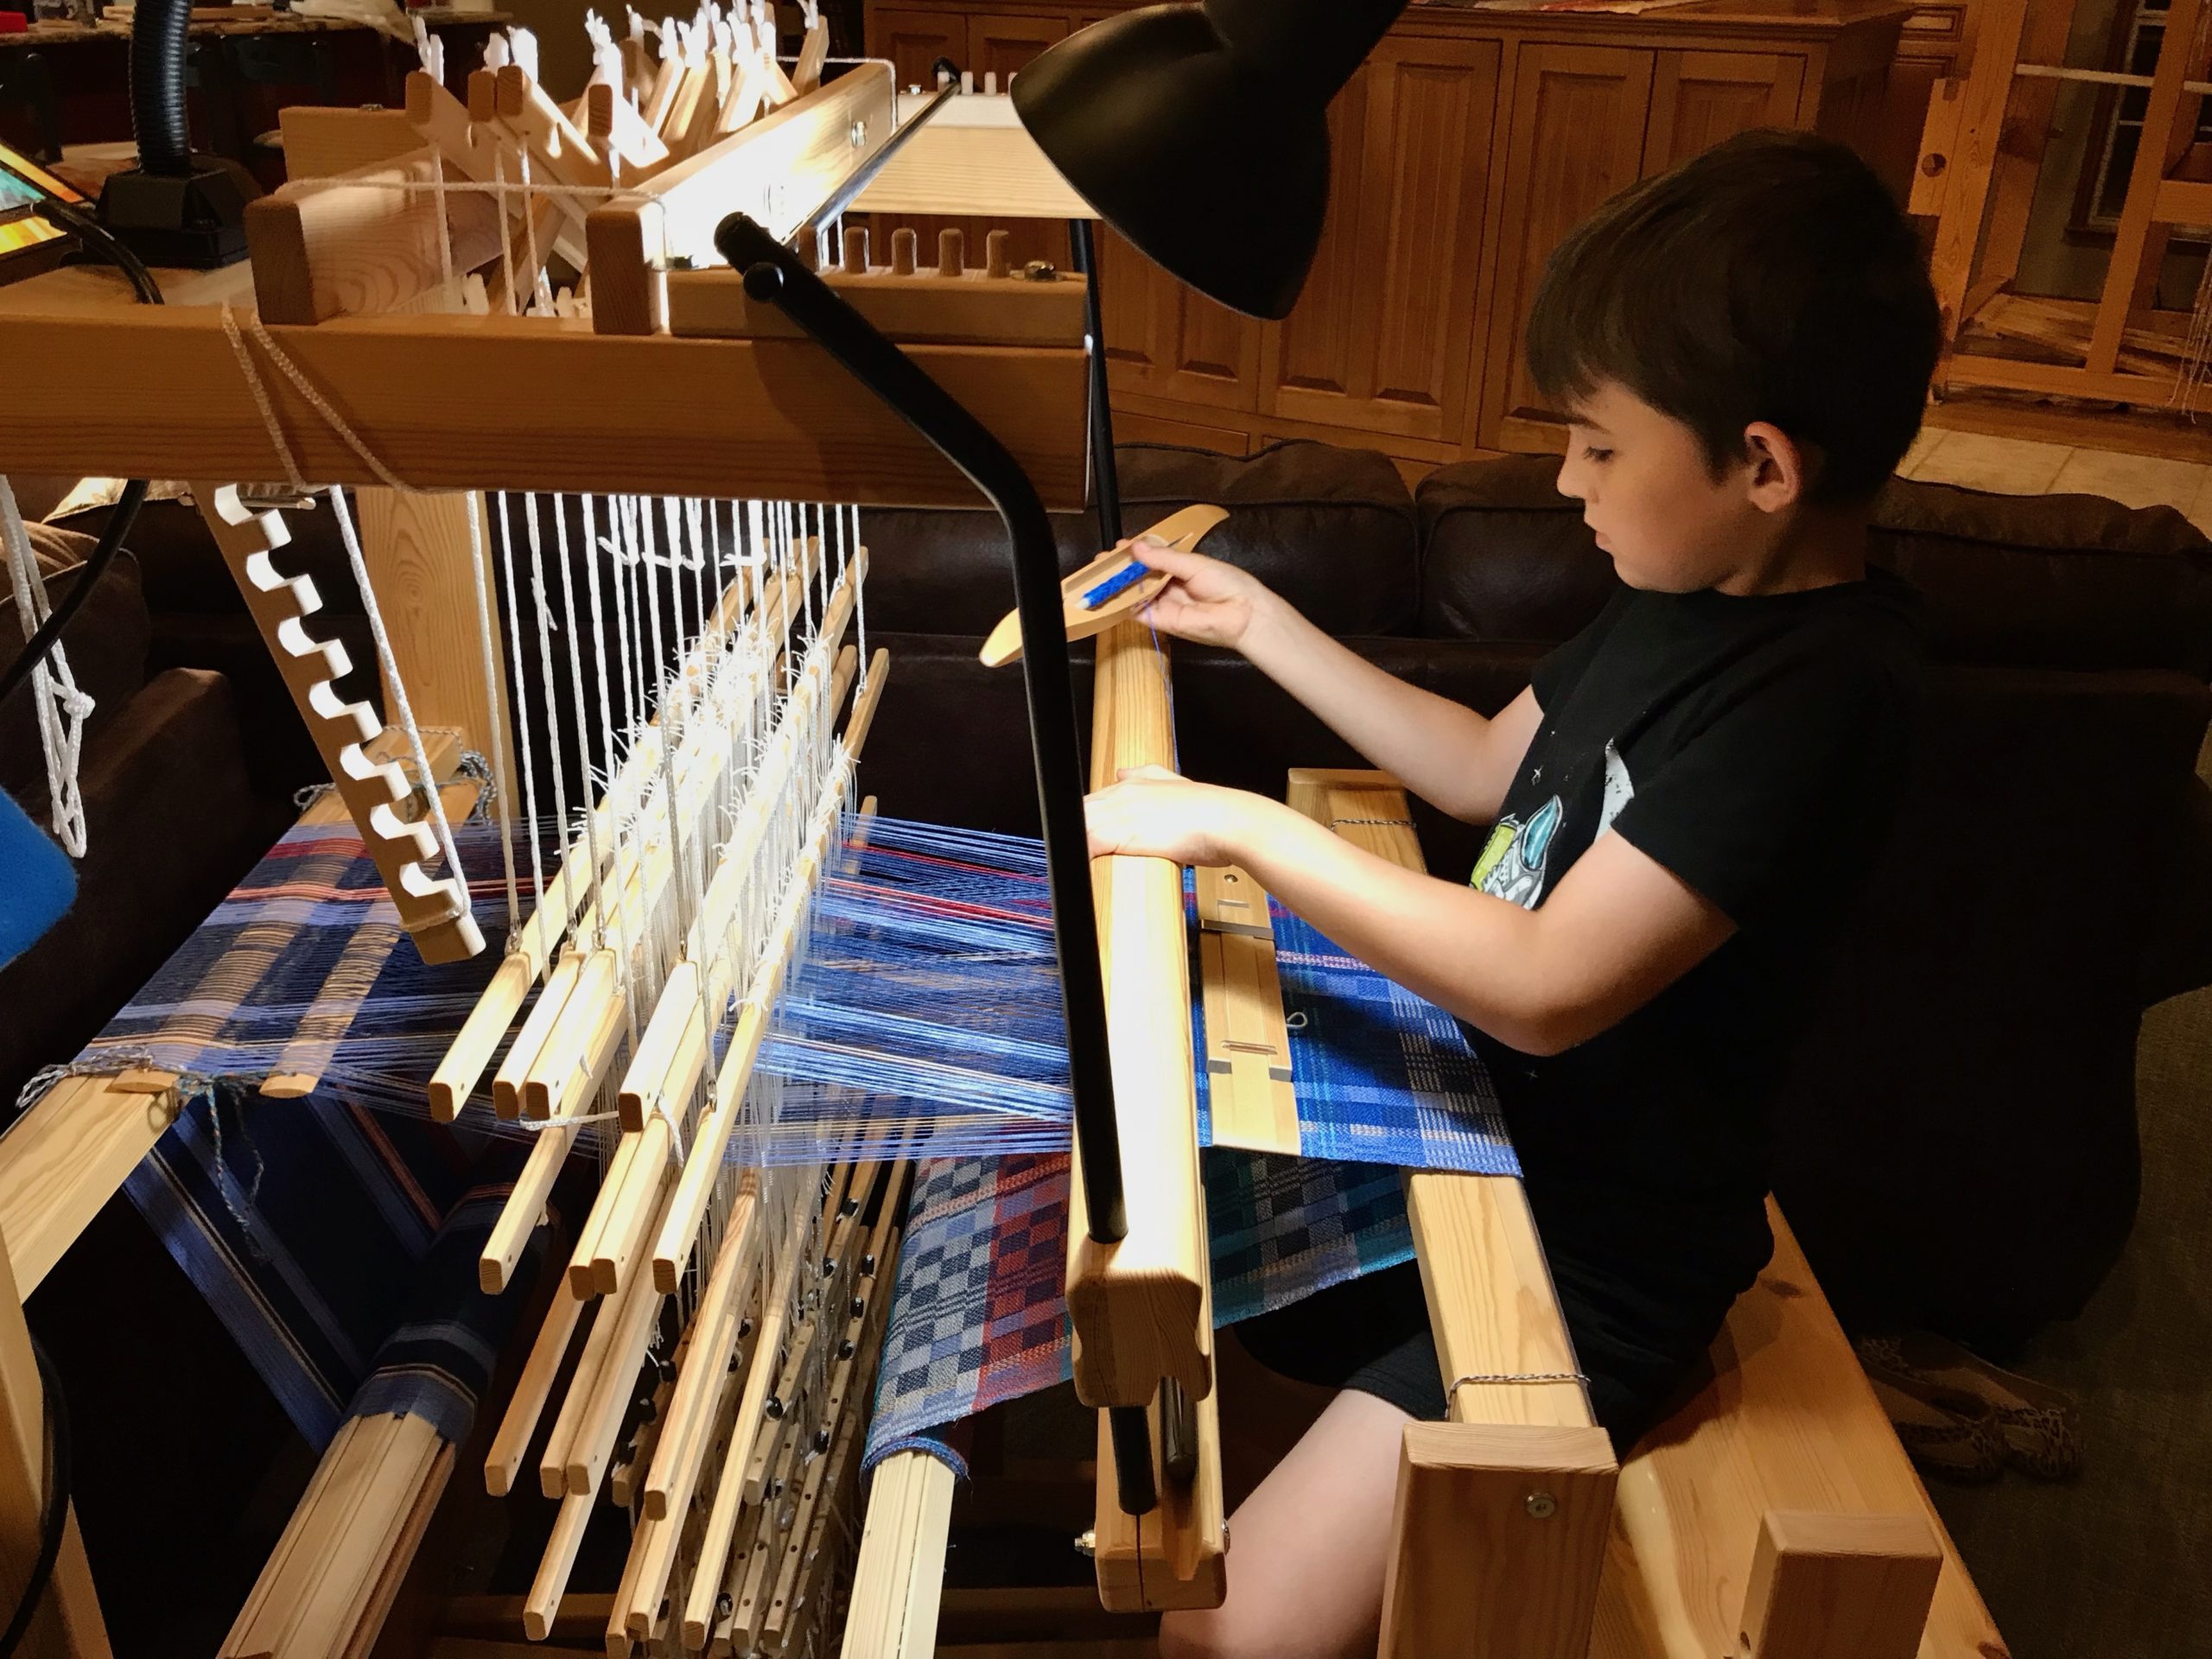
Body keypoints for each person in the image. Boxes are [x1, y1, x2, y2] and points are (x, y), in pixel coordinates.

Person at [1082, 129, 1941, 1659]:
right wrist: (1262, 627)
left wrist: (1236, 829)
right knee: (1121, 1217)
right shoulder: (1677, 594)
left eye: (1599, 445)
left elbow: (1551, 985)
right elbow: (1485, 769)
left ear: (1763, 465)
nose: (1563, 479)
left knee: (1220, 1640)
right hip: (1460, 1138)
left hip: (1592, 1258)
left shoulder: (1823, 699)